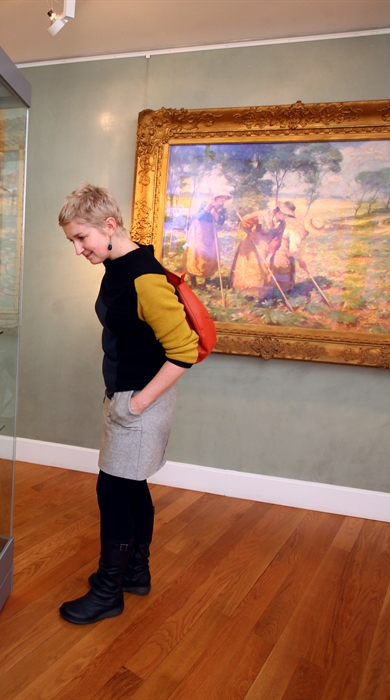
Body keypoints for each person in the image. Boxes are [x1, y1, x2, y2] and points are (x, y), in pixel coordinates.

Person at [57, 183, 199, 625]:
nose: (78, 249)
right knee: (132, 486)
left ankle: (108, 592)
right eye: (72, 241)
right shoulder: (118, 267)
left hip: (140, 401)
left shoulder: (144, 278)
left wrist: (137, 405)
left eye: (82, 238)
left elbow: (185, 351)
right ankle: (136, 572)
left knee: (114, 491)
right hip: (126, 396)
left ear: (109, 225)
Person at [228, 200, 296, 296]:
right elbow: (246, 220)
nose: (285, 217)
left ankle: (258, 293)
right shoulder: (263, 215)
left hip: (267, 244)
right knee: (253, 266)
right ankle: (246, 292)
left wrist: (270, 255)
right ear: (278, 211)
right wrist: (249, 232)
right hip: (252, 242)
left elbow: (277, 240)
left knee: (265, 267)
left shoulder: (282, 224)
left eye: (287, 215)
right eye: (284, 214)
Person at [184, 194, 231, 286]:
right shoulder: (205, 203)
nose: (223, 199)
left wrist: (216, 215)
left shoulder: (222, 209)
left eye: (225, 198)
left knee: (210, 254)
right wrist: (207, 207)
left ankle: (207, 280)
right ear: (216, 197)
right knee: (197, 254)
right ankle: (193, 281)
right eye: (221, 197)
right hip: (199, 230)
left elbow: (221, 222)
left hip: (210, 231)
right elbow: (198, 216)